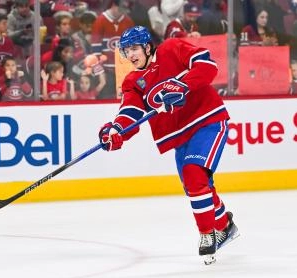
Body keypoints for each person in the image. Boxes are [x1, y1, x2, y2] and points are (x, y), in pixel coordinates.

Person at [98, 26, 239, 265]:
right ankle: (224, 225)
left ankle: (208, 235)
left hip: (207, 121)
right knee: (195, 187)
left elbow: (207, 66)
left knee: (194, 175)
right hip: (179, 137)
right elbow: (130, 112)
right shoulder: (133, 81)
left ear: (147, 46)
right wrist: (116, 130)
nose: (130, 55)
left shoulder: (172, 49)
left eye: (134, 49)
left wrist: (183, 85)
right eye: (126, 51)